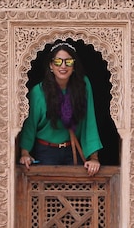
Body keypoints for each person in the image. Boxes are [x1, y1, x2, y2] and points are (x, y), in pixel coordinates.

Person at [19, 40, 102, 175]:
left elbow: (89, 122)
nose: (63, 66)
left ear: (74, 65)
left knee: (75, 193)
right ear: (51, 65)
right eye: (58, 62)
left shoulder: (83, 86)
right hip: (46, 151)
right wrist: (25, 153)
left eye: (68, 62)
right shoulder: (39, 91)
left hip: (72, 149)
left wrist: (94, 158)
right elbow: (30, 124)